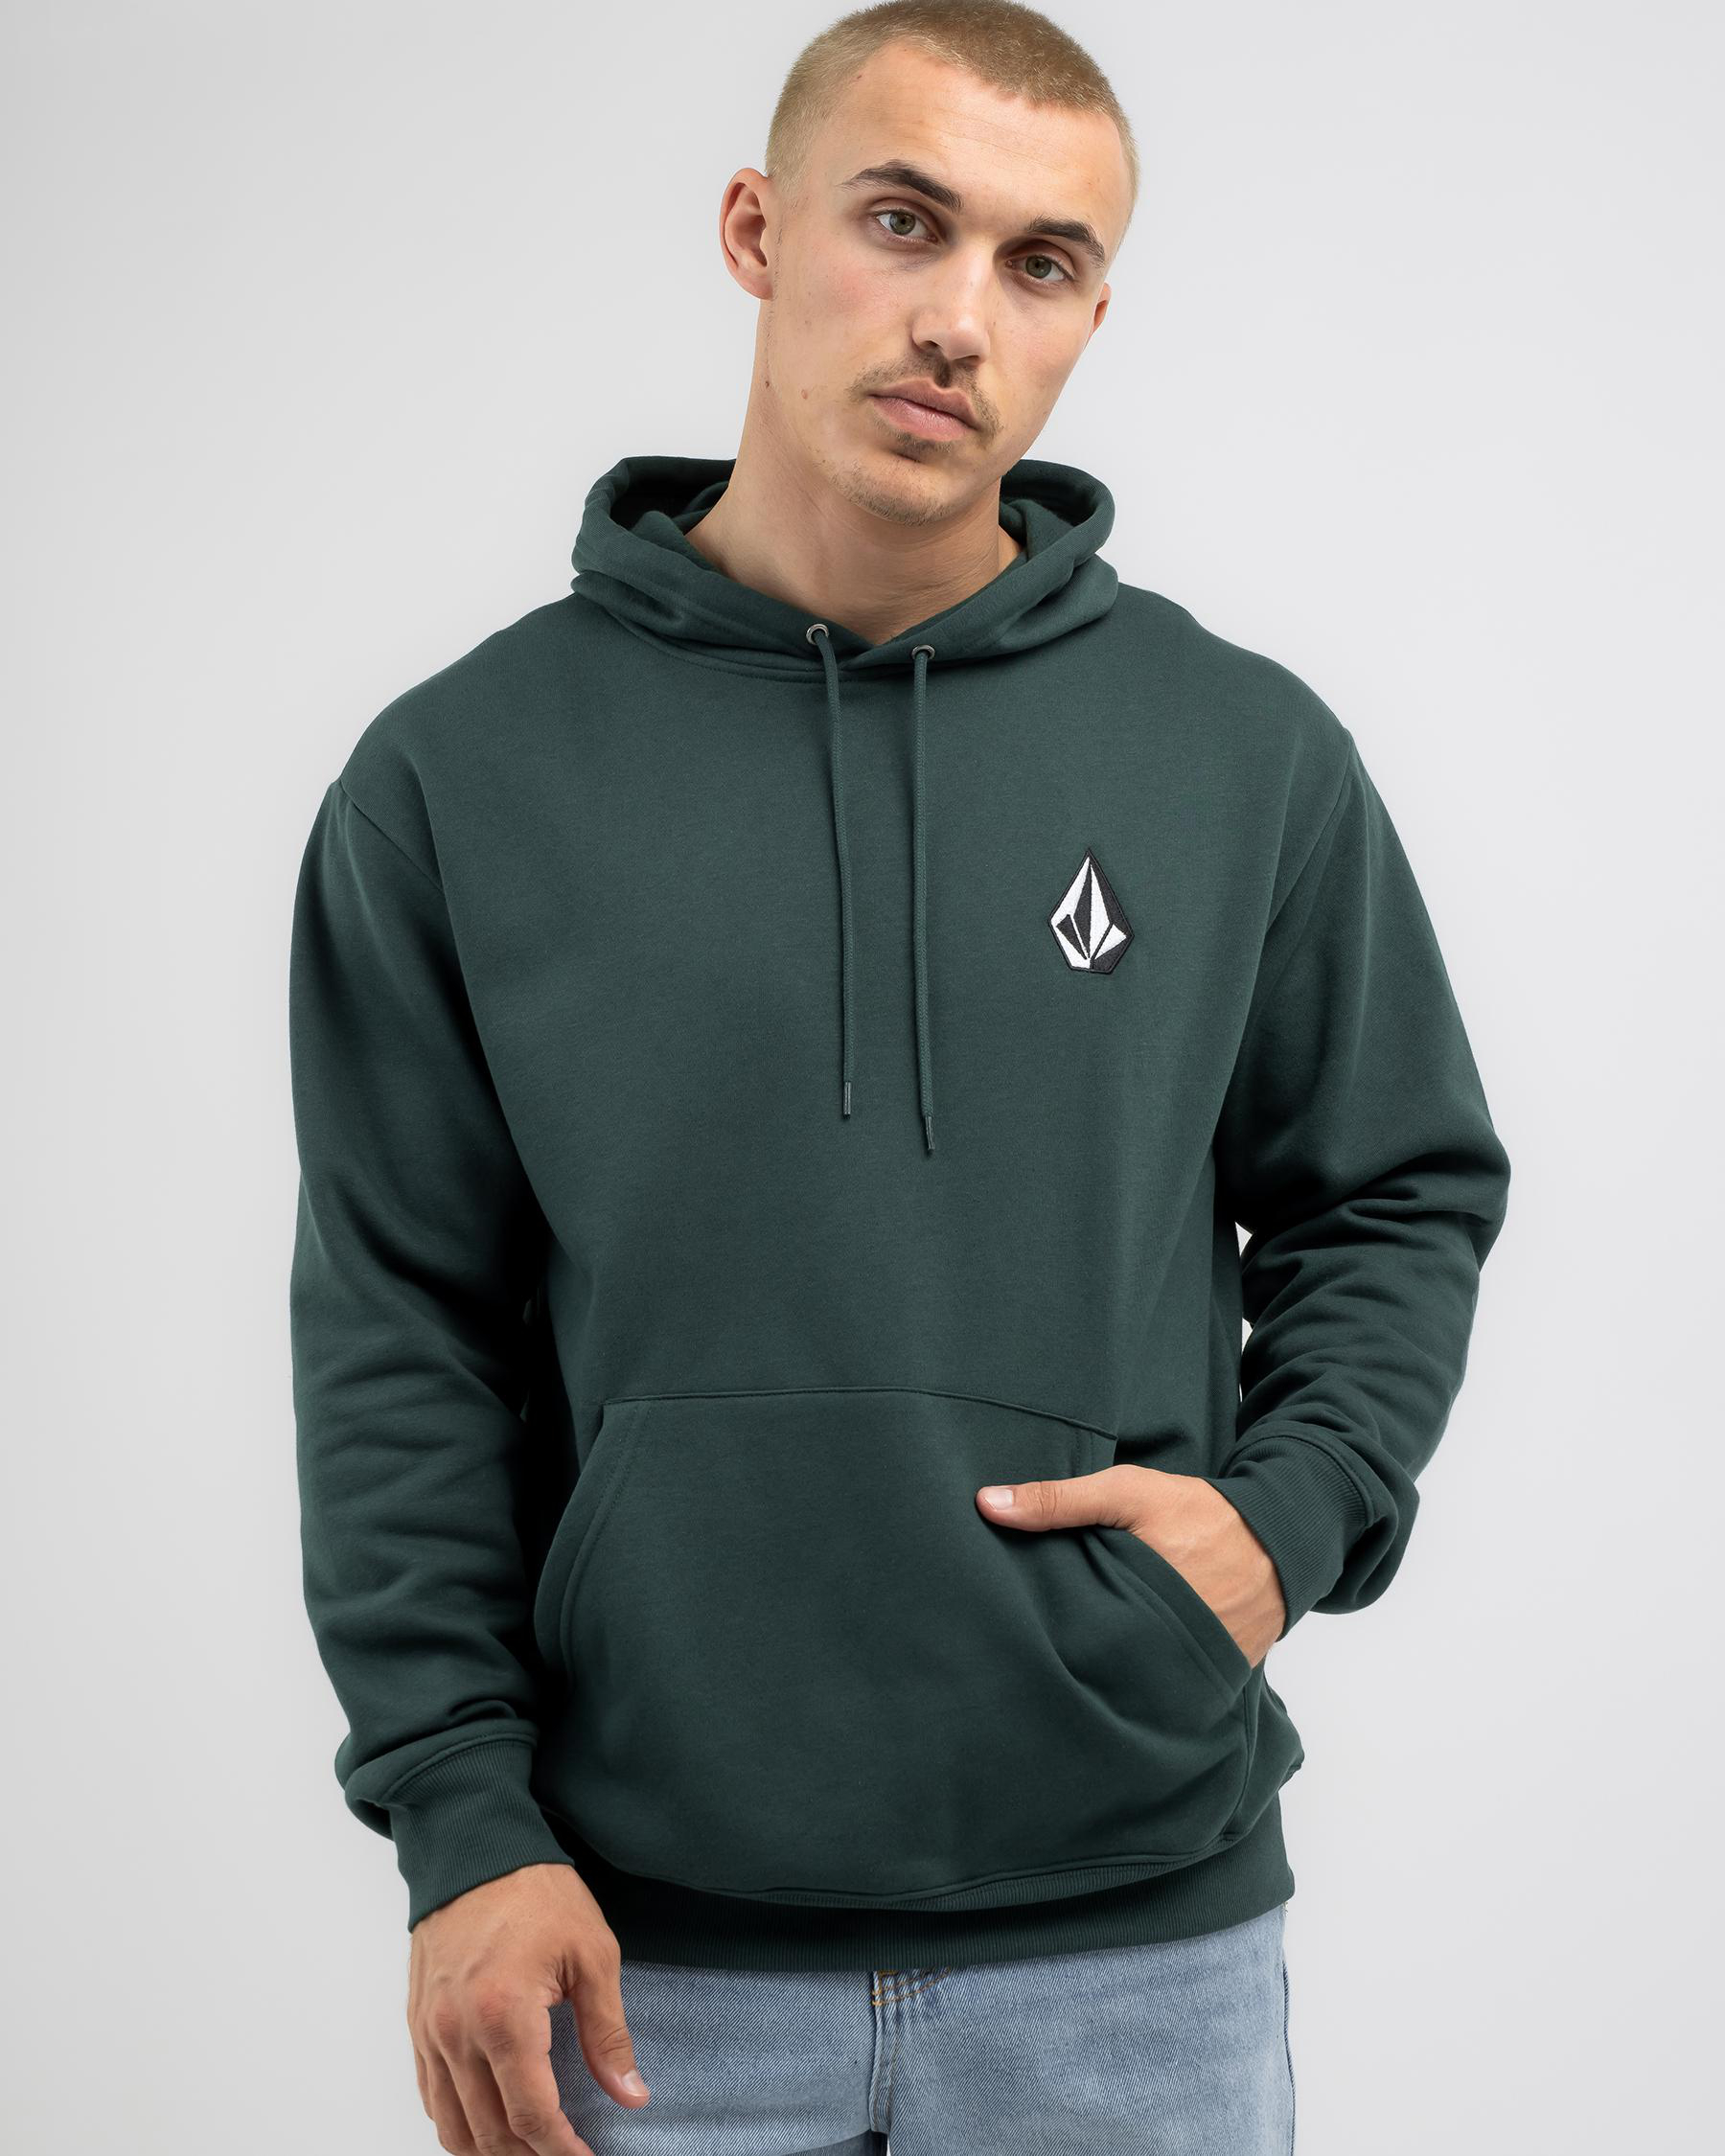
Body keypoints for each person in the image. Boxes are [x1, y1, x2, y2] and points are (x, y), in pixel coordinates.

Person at [287, 3, 1511, 2149]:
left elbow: (1393, 1189)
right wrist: (459, 1821)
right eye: (903, 221)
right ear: (759, 231)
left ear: (1092, 315)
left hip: (1137, 1951)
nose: (959, 318)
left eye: (1039, 263)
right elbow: (400, 1325)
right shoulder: (459, 777)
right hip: (633, 1958)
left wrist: (1289, 1519)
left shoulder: (1242, 758)